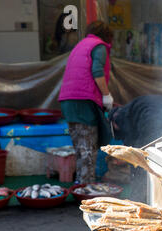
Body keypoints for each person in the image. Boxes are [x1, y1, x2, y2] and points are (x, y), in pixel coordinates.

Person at [58, 21, 114, 184]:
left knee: (80, 149)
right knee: (88, 150)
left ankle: (81, 185)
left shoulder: (80, 45)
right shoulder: (99, 46)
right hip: (83, 102)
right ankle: (86, 189)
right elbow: (97, 71)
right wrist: (106, 95)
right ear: (107, 36)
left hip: (67, 100)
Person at [108, 95, 162, 202]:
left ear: (113, 123)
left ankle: (139, 200)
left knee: (139, 162)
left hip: (151, 122)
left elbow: (132, 146)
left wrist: (127, 158)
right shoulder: (130, 108)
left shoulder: (119, 117)